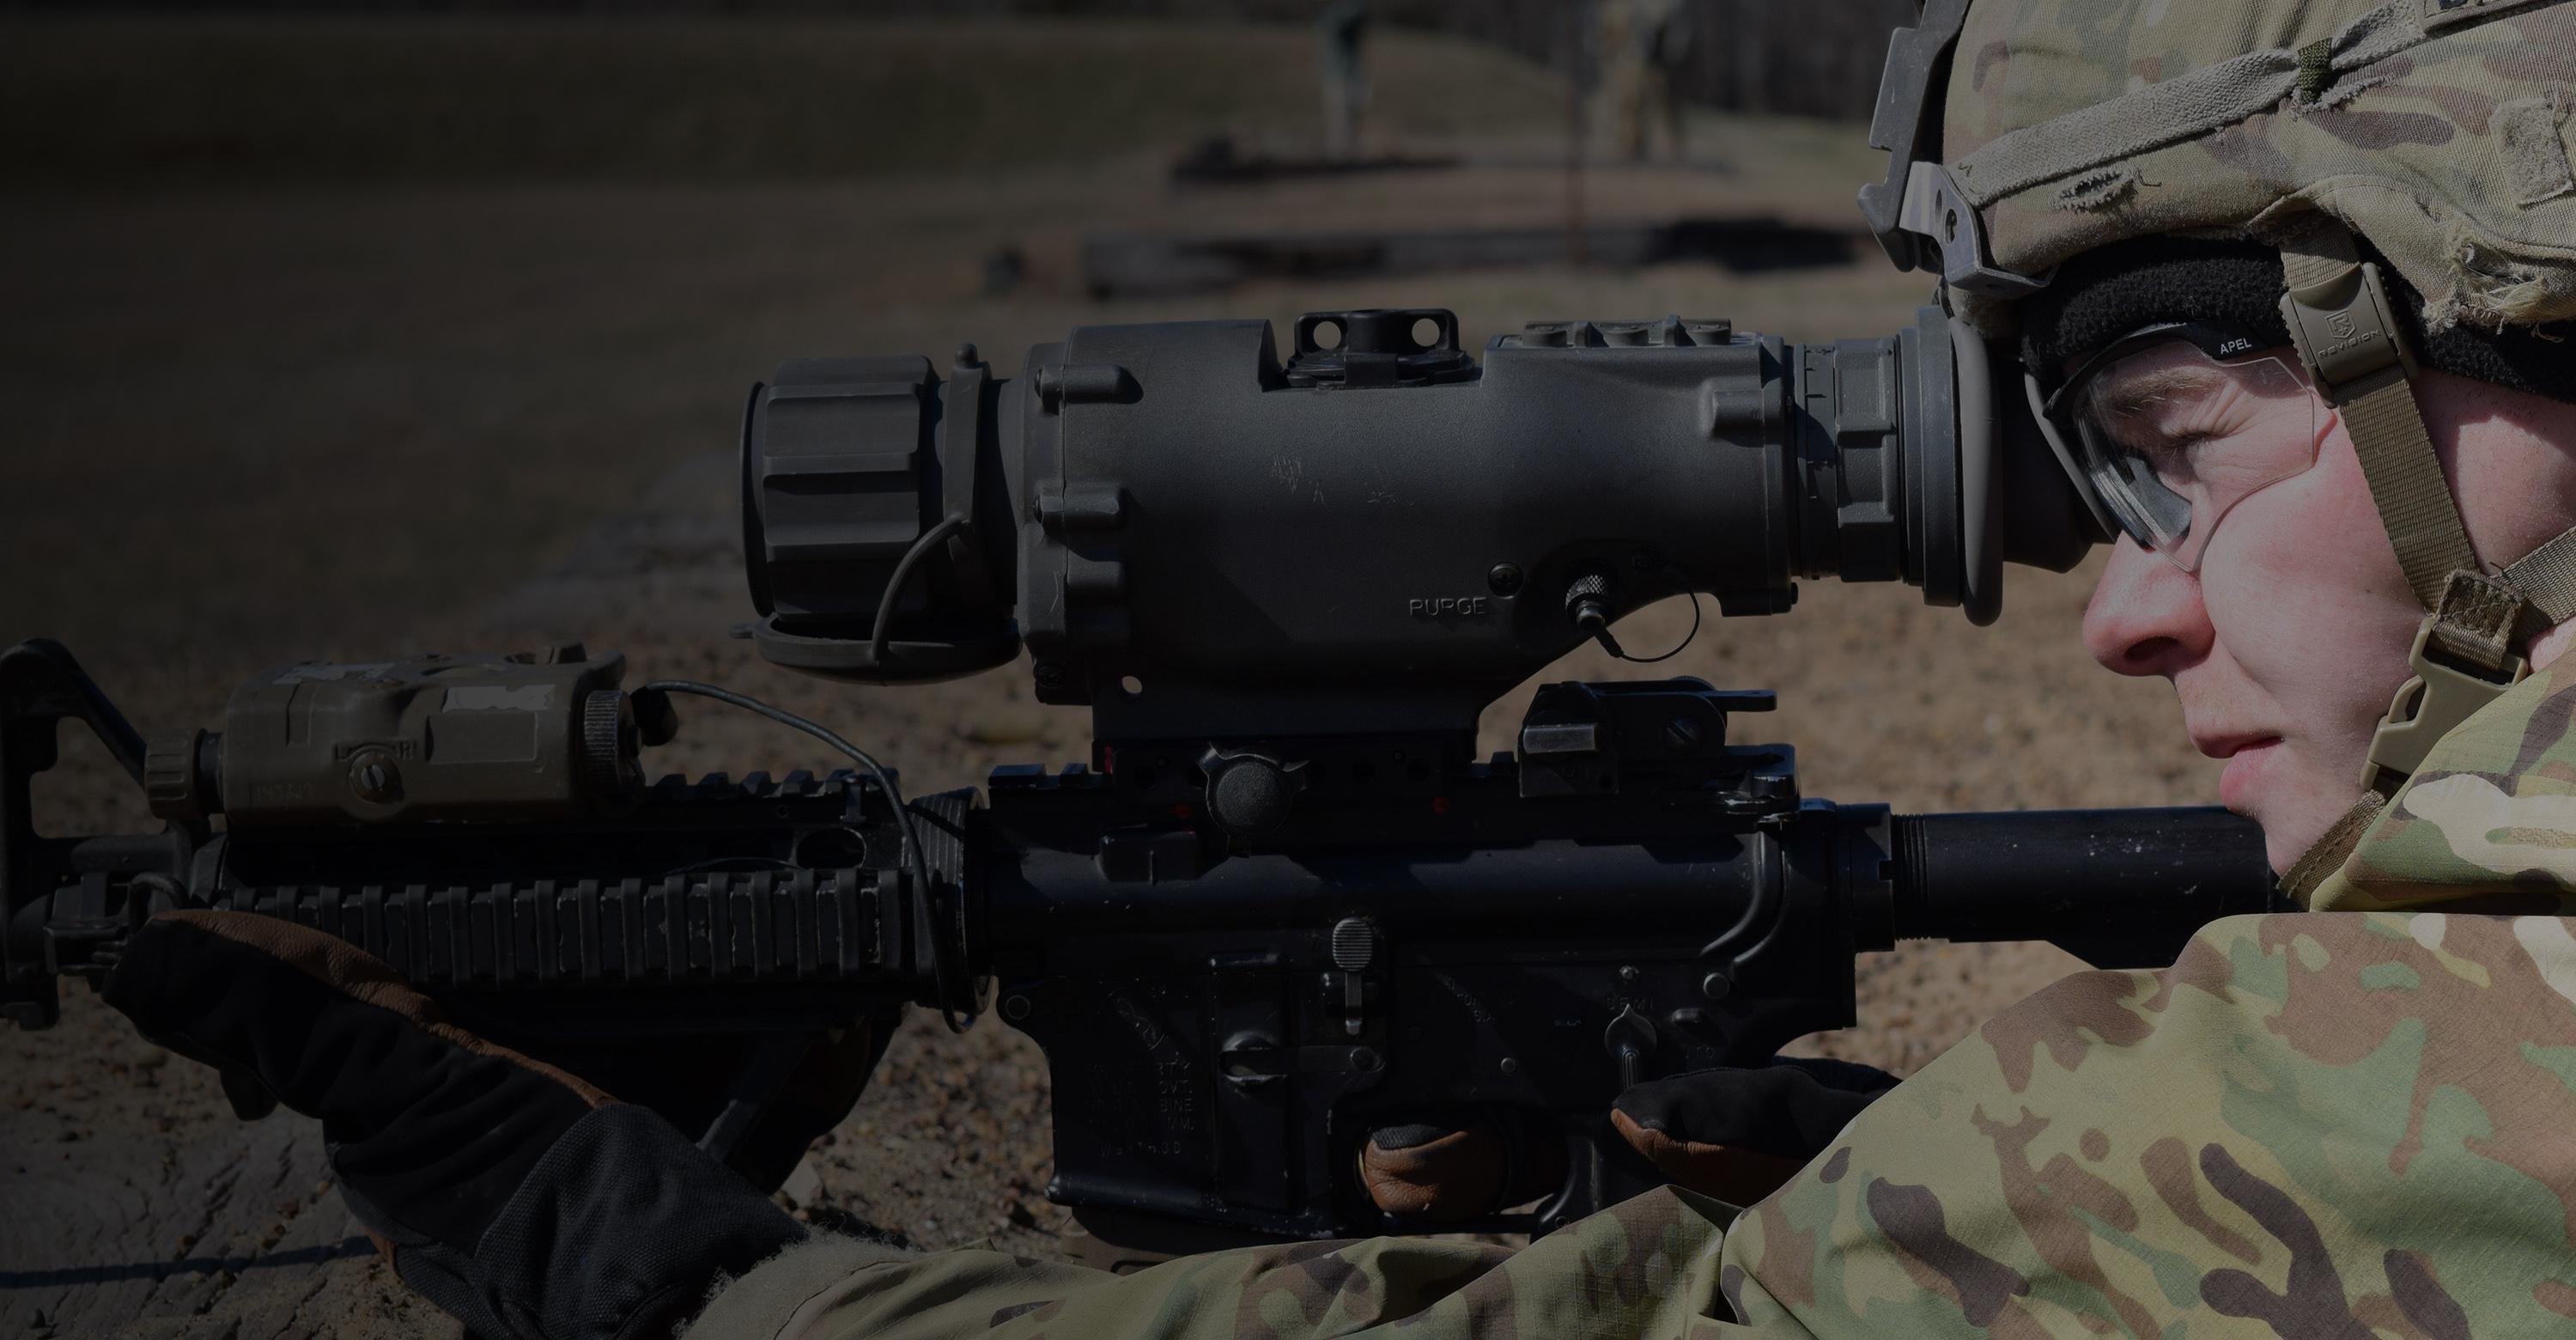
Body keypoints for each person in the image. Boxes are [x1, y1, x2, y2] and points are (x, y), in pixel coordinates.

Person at [100, 0, 2576, 1335]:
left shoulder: (2394, 1083)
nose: (2124, 604)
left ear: (2508, 336)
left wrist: (676, 1284)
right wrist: (1889, 1207)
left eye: (2180, 449)